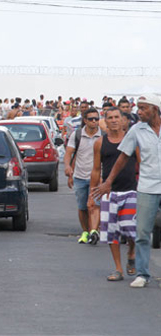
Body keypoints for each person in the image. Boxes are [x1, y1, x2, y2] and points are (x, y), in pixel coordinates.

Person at [92, 94, 161, 288]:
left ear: (154, 109)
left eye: (143, 108)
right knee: (141, 232)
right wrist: (108, 182)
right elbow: (123, 157)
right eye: (137, 108)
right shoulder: (136, 130)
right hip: (147, 187)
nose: (138, 112)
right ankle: (142, 274)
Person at [89, 107, 138, 282]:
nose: (114, 120)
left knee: (130, 227)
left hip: (131, 191)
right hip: (108, 193)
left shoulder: (132, 140)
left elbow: (141, 164)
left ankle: (131, 251)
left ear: (124, 120)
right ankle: (118, 268)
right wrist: (91, 195)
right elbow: (95, 170)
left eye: (117, 117)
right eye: (110, 118)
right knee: (111, 232)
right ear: (106, 121)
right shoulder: (100, 143)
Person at [64, 108, 102, 244]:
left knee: (95, 205)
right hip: (80, 176)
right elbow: (69, 153)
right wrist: (68, 167)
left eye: (96, 119)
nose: (94, 122)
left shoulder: (103, 135)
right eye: (91, 119)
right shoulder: (77, 135)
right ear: (85, 120)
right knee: (82, 207)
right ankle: (86, 231)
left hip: (98, 178)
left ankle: (94, 232)